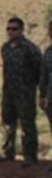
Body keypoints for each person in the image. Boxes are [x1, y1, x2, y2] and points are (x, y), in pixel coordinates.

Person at [0, 16, 42, 165]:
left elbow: (39, 70)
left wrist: (34, 87)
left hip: (25, 92)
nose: (11, 32)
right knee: (7, 122)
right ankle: (7, 152)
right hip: (8, 91)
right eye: (8, 29)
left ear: (21, 30)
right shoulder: (5, 47)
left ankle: (30, 156)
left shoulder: (30, 48)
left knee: (27, 124)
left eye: (14, 29)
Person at [39, 20, 52, 162]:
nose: (51, 33)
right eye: (49, 30)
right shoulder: (48, 51)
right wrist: (41, 95)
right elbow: (43, 75)